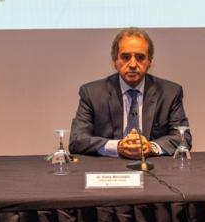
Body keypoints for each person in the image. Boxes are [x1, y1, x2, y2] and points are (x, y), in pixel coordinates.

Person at [69, 27, 192, 158]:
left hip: (154, 168)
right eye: (126, 57)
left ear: (149, 62)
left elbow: (183, 138)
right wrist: (117, 146)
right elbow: (77, 140)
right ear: (115, 61)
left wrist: (151, 147)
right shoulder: (91, 93)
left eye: (140, 57)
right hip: (109, 171)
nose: (133, 64)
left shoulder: (170, 92)